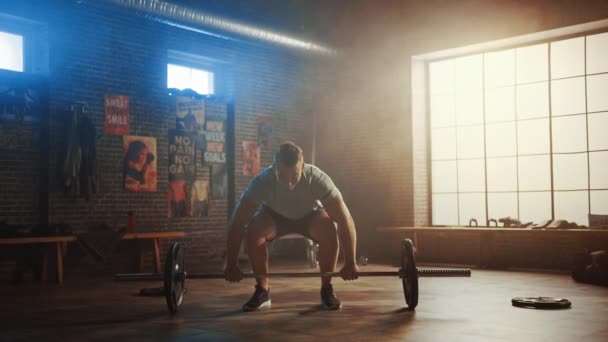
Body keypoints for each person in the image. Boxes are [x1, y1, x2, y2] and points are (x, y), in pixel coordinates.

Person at [224, 141, 359, 311]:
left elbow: (345, 218)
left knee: (329, 227)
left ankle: (327, 289)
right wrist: (231, 264)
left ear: (302, 166)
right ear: (274, 167)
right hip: (274, 217)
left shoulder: (317, 178)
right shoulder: (262, 181)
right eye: (282, 176)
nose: (288, 183)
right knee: (254, 229)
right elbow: (238, 222)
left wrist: (350, 262)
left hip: (310, 216)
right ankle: (262, 290)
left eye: (294, 176)